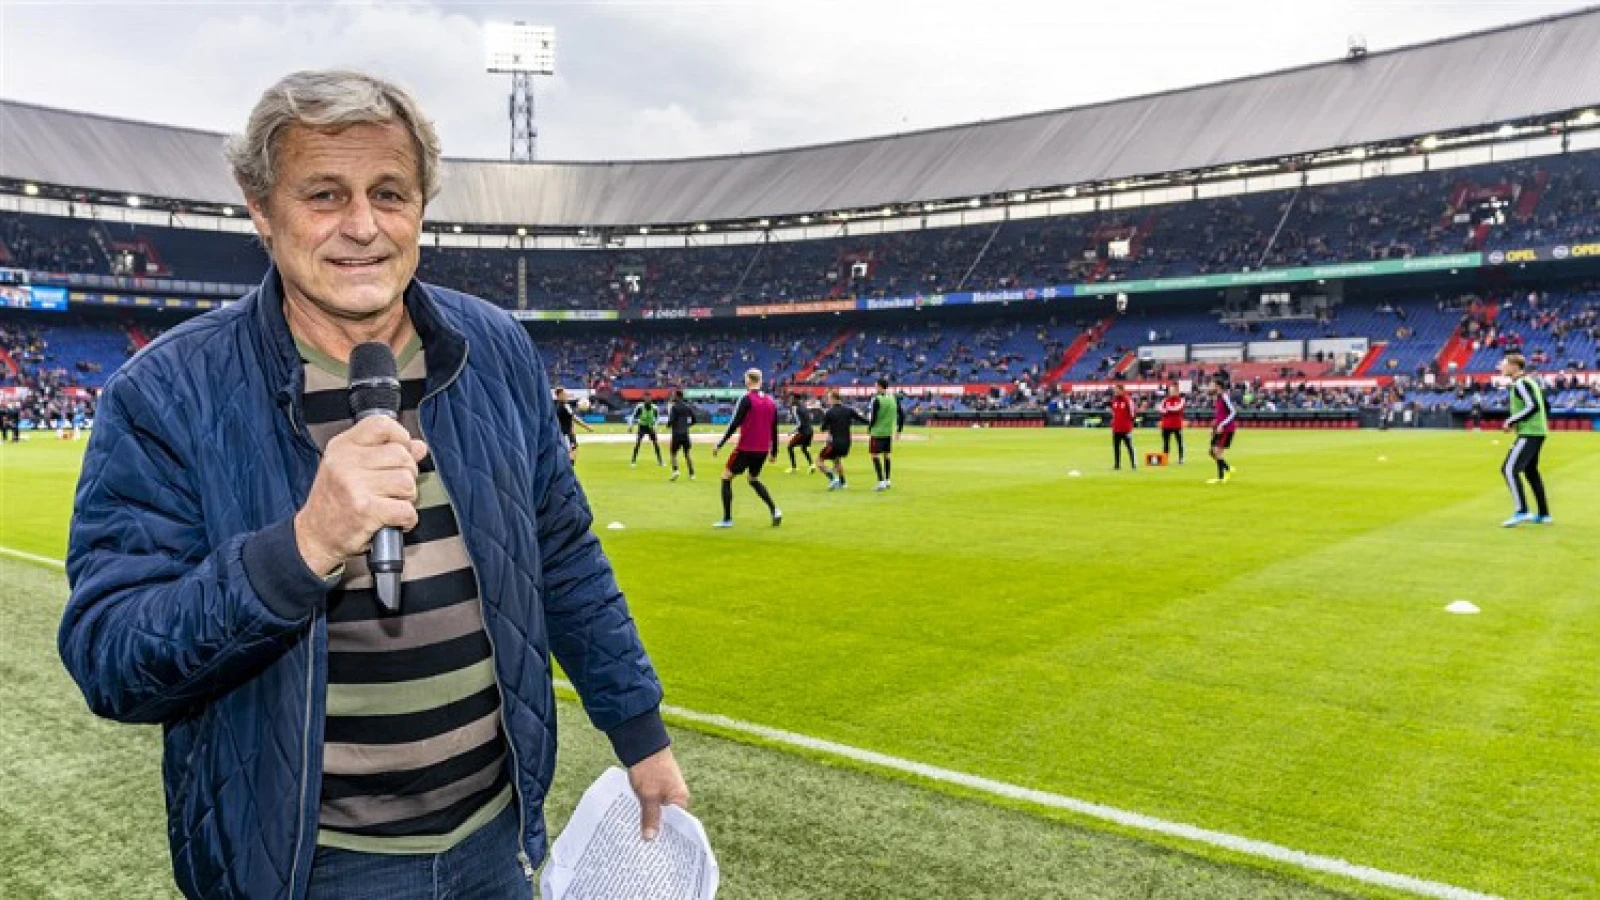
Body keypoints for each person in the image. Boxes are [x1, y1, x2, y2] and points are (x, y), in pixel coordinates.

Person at [56, 70, 688, 900]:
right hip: (307, 865)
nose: (362, 227)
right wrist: (302, 548)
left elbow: (562, 557)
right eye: (323, 194)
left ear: (421, 206)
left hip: (494, 842)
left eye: (389, 192)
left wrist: (640, 733)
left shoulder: (492, 350)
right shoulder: (167, 392)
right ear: (260, 207)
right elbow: (112, 655)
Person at [711, 368, 781, 527]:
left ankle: (727, 519)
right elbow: (774, 428)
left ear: (748, 380)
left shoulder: (746, 399)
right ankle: (775, 510)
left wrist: (720, 444)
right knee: (753, 478)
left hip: (745, 448)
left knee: (726, 477)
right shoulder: (771, 402)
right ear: (760, 381)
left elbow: (734, 423)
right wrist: (774, 451)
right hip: (762, 450)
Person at [1498, 352, 1552, 527]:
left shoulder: (1520, 383)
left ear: (1515, 366)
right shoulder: (1529, 382)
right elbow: (1545, 405)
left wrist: (1512, 420)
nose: (1501, 366)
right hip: (1537, 431)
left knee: (1508, 469)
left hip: (1530, 433)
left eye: (1504, 363)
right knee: (1530, 472)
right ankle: (1544, 514)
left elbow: (1533, 406)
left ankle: (1522, 511)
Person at [818, 389, 869, 490]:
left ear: (833, 399)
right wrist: (873, 423)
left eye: (828, 398)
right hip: (846, 443)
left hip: (834, 443)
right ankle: (843, 482)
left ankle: (833, 479)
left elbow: (822, 428)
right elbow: (862, 419)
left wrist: (827, 422)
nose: (828, 400)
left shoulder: (829, 412)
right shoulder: (848, 410)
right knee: (837, 460)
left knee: (819, 462)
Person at [866, 377, 903, 491]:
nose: (875, 388)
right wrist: (899, 430)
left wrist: (869, 427)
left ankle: (880, 481)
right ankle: (887, 480)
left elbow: (874, 417)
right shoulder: (893, 398)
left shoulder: (876, 399)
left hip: (877, 432)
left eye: (876, 386)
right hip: (888, 432)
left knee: (874, 455)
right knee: (887, 455)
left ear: (880, 387)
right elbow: (902, 414)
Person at [1206, 375, 1238, 484]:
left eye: (1211, 385)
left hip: (1227, 429)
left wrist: (1222, 425)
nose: (1210, 387)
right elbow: (1219, 415)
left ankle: (1224, 474)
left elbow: (1233, 412)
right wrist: (1214, 428)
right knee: (1212, 452)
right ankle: (1226, 470)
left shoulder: (1224, 396)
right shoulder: (1217, 398)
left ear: (1218, 386)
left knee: (1217, 453)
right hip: (1219, 429)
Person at [554, 386, 594, 462]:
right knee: (571, 453)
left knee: (572, 452)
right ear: (559, 395)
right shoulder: (563, 406)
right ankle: (568, 471)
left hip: (566, 433)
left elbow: (570, 418)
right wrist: (586, 427)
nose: (566, 395)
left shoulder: (561, 405)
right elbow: (573, 418)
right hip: (565, 434)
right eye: (564, 393)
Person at [667, 389, 696, 481]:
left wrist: (668, 425)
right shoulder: (687, 407)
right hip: (685, 434)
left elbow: (671, 420)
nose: (673, 397)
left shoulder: (674, 407)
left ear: (678, 396)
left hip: (676, 434)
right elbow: (694, 420)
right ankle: (692, 474)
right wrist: (687, 426)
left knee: (673, 453)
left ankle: (675, 471)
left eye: (674, 395)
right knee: (687, 454)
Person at [785, 393, 816, 474]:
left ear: (796, 399)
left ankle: (794, 468)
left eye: (792, 399)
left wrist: (791, 431)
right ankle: (812, 465)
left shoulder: (797, 409)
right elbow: (810, 417)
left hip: (803, 432)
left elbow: (799, 424)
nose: (791, 400)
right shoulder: (804, 407)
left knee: (789, 447)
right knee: (804, 448)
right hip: (810, 431)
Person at [1109, 384, 1137, 470]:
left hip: (1125, 428)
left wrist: (1129, 424)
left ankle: (1133, 464)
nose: (1115, 392)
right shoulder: (1114, 400)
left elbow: (1133, 413)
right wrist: (1114, 422)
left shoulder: (1127, 400)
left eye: (1117, 390)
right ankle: (1117, 465)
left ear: (1122, 390)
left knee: (1129, 447)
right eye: (1115, 390)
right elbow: (1113, 412)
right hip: (1116, 428)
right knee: (1116, 447)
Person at [630, 397, 663, 468]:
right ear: (644, 403)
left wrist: (655, 426)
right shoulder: (640, 407)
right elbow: (633, 416)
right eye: (646, 403)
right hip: (642, 426)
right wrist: (631, 426)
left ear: (651, 403)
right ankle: (633, 461)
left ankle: (660, 461)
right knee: (638, 442)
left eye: (649, 403)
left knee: (655, 443)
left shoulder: (654, 408)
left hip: (650, 427)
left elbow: (658, 418)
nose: (647, 405)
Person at [1157, 383, 1186, 464]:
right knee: (1166, 443)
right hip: (1166, 425)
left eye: (1173, 390)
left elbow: (1177, 409)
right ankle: (1164, 459)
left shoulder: (1181, 400)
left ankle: (1181, 458)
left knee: (1179, 442)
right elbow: (1160, 409)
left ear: (1177, 391)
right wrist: (1167, 410)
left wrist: (1167, 409)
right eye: (1170, 391)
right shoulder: (1165, 400)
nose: (1171, 392)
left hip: (1177, 425)